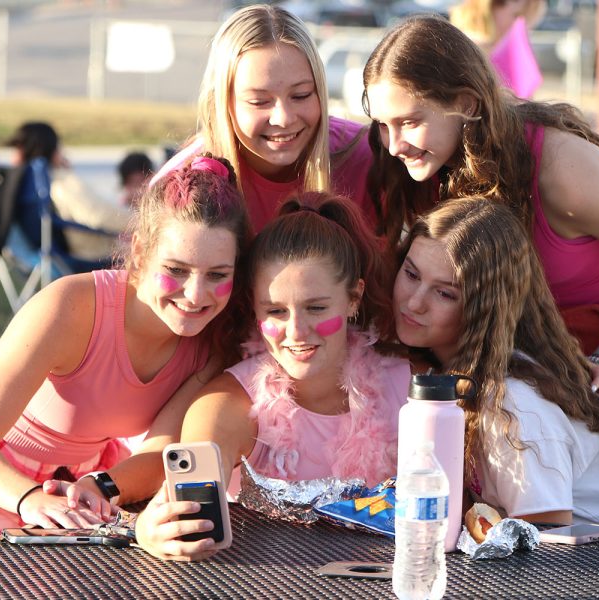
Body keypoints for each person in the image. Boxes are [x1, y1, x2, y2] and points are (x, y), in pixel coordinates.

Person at [362, 15, 599, 440]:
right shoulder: (426, 162)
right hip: (518, 373)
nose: (394, 145)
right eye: (382, 124)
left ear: (467, 104)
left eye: (409, 121)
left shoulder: (566, 176)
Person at [0, 155, 252, 563]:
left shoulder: (210, 344)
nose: (195, 295)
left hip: (76, 482)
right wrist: (29, 498)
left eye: (217, 275)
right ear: (139, 252)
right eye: (176, 269)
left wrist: (100, 486)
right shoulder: (70, 306)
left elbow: (156, 454)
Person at [395, 198, 599, 532]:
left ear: (484, 310)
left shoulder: (513, 408)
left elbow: (545, 555)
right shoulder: (448, 375)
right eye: (411, 274)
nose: (414, 302)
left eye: (445, 293)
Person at [134, 192, 411, 562]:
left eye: (316, 307)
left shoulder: (410, 387)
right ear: (254, 307)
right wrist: (152, 528)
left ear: (353, 299)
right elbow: (195, 483)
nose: (296, 331)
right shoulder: (231, 400)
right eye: (276, 311)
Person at [151, 4, 375, 232]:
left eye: (301, 95)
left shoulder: (370, 158)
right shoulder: (182, 187)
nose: (284, 118)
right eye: (259, 101)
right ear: (222, 102)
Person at [5, 121, 132, 265]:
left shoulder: (27, 185)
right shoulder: (61, 183)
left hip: (51, 257)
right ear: (53, 150)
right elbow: (100, 215)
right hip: (93, 258)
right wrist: (147, 223)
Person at [449, 0, 546, 98]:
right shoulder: (466, 46)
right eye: (515, 15)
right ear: (491, 6)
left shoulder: (511, 39)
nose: (516, 22)